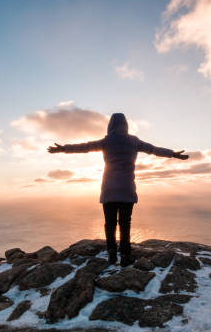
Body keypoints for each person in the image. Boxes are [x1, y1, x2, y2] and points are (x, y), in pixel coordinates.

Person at [48, 113, 189, 266]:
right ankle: (125, 256)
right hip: (127, 189)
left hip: (109, 189)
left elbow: (85, 147)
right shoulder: (134, 141)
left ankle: (112, 254)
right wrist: (173, 154)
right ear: (126, 125)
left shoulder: (106, 141)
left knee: (109, 223)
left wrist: (63, 149)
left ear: (110, 125)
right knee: (125, 223)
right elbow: (154, 149)